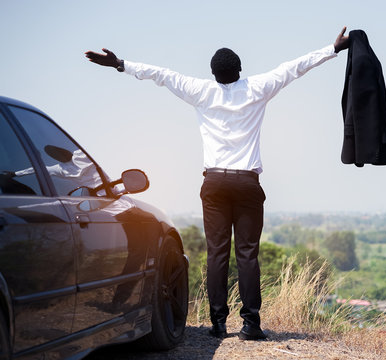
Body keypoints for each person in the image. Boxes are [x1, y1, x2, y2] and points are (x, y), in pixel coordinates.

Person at [85, 27, 349, 341]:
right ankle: (251, 324)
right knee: (247, 255)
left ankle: (219, 323)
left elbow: (161, 75)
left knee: (217, 254)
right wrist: (332, 49)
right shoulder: (257, 88)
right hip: (247, 183)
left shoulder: (201, 91)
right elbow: (293, 68)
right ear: (239, 71)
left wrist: (120, 64)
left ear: (213, 74)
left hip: (214, 184)